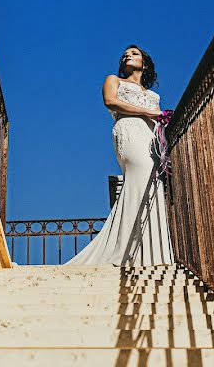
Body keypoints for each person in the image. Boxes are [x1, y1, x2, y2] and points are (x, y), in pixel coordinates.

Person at [65, 44, 174, 266]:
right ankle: (124, 252)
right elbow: (111, 102)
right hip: (130, 130)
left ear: (145, 62)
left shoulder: (154, 94)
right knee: (141, 180)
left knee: (153, 185)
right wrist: (149, 112)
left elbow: (158, 119)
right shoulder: (114, 80)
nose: (128, 55)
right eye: (125, 54)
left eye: (134, 53)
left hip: (152, 139)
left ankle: (153, 252)